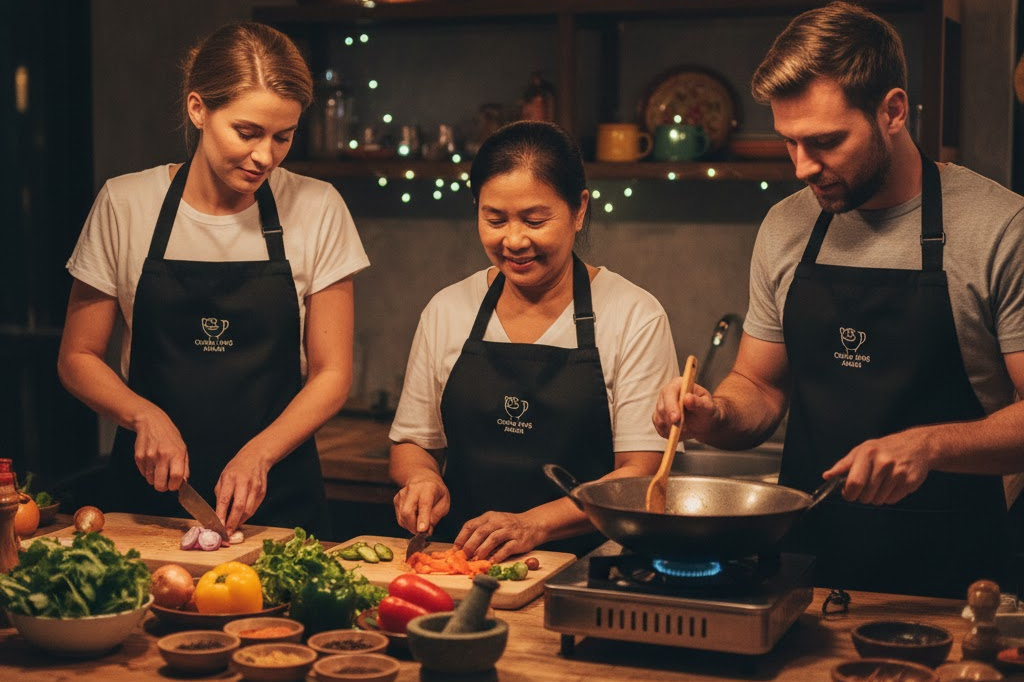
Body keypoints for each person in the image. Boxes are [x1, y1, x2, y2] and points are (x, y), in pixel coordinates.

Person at [653, 1, 1024, 598]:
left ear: (892, 111)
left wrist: (928, 445)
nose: (803, 167)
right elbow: (760, 386)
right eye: (789, 143)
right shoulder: (786, 226)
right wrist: (713, 415)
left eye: (825, 141)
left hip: (951, 578)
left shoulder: (999, 228)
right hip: (806, 570)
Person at [57, 22, 369, 539]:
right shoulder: (125, 203)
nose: (265, 156)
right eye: (247, 132)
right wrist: (142, 415)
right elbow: (77, 357)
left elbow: (332, 374)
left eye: (283, 136)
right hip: (147, 503)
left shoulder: (318, 208)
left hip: (278, 500)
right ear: (198, 109)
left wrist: (260, 454)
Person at [389, 121, 679, 561]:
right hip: (462, 561)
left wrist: (533, 524)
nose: (514, 240)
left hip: (588, 566)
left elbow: (640, 475)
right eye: (494, 219)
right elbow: (413, 443)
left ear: (579, 210)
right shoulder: (447, 310)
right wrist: (422, 479)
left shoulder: (634, 315)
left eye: (535, 220)